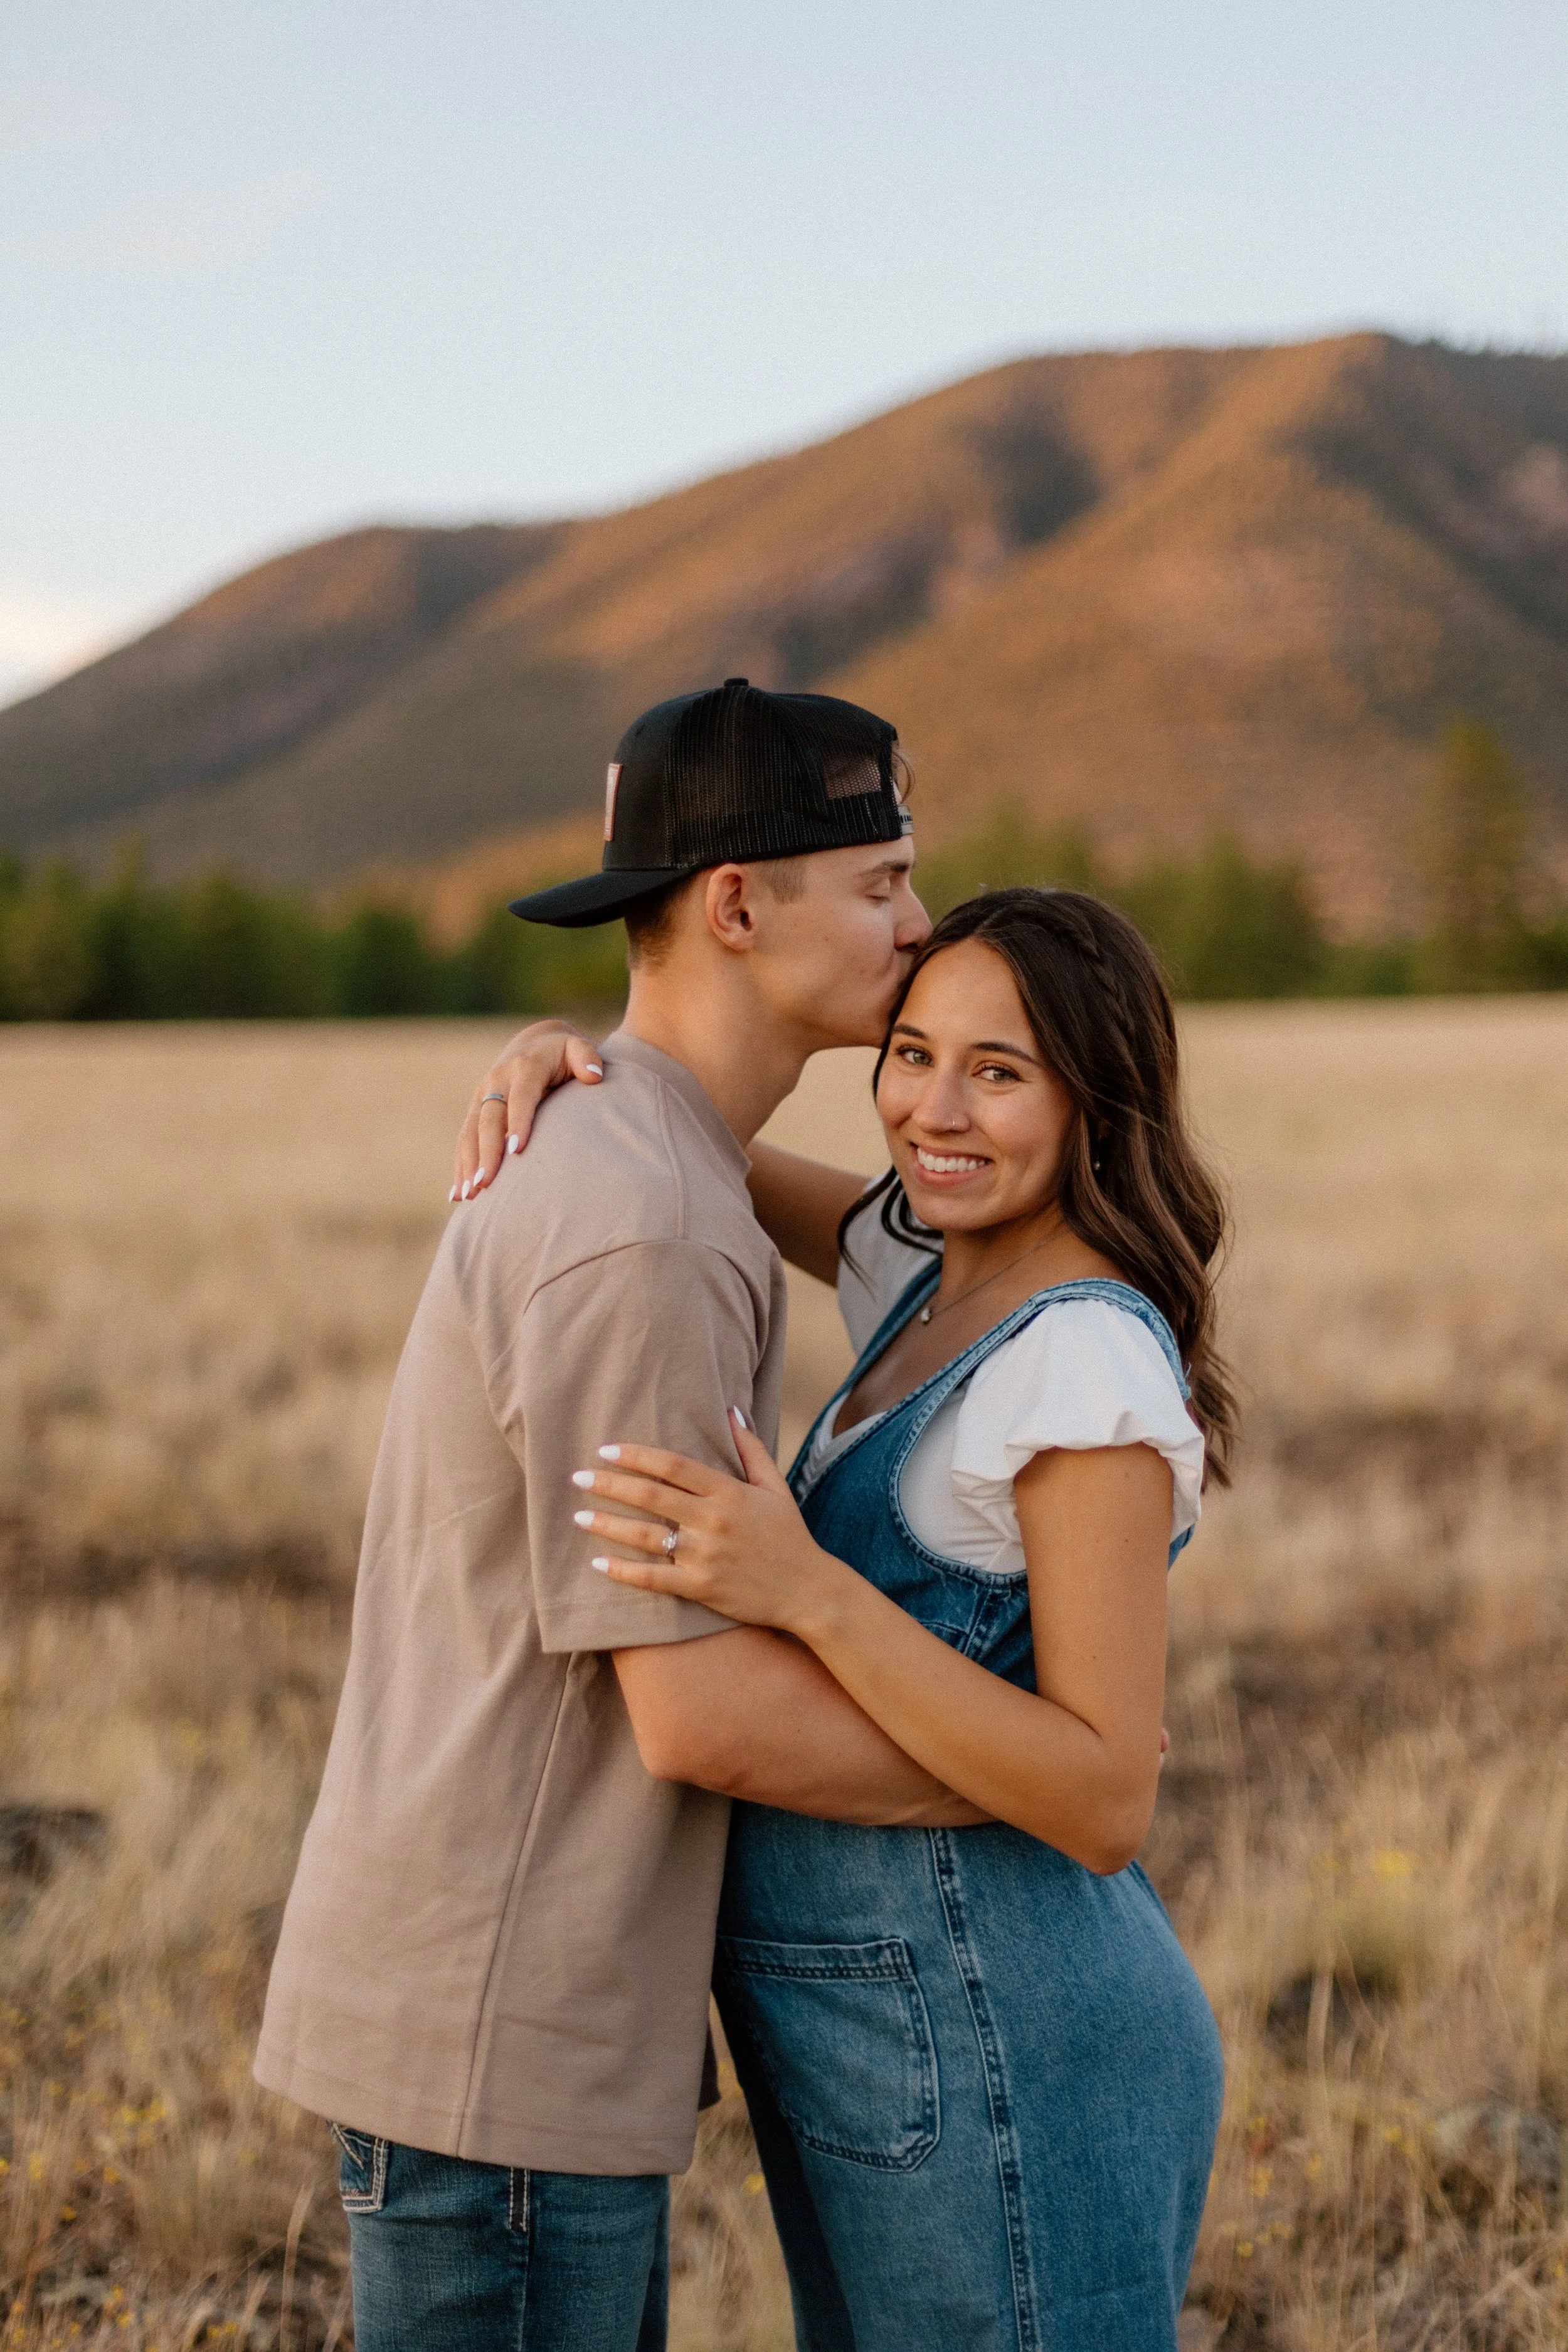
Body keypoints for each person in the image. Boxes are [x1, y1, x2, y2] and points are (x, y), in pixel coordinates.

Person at [255, 677, 992, 2352]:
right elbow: (696, 1706)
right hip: (504, 2040)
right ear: (736, 903)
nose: (916, 920)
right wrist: (1032, 1773)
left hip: (507, 2009)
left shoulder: (652, 1152)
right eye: (878, 881)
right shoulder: (646, 1219)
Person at [467, 886, 1231, 2351]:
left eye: (997, 1074)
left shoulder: (1081, 1372)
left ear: (1095, 1101)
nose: (932, 1112)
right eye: (909, 1052)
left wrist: (804, 1593)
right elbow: (695, 1148)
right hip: (890, 2032)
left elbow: (1102, 1791)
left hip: (1012, 2033)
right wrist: (573, 1073)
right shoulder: (934, 1260)